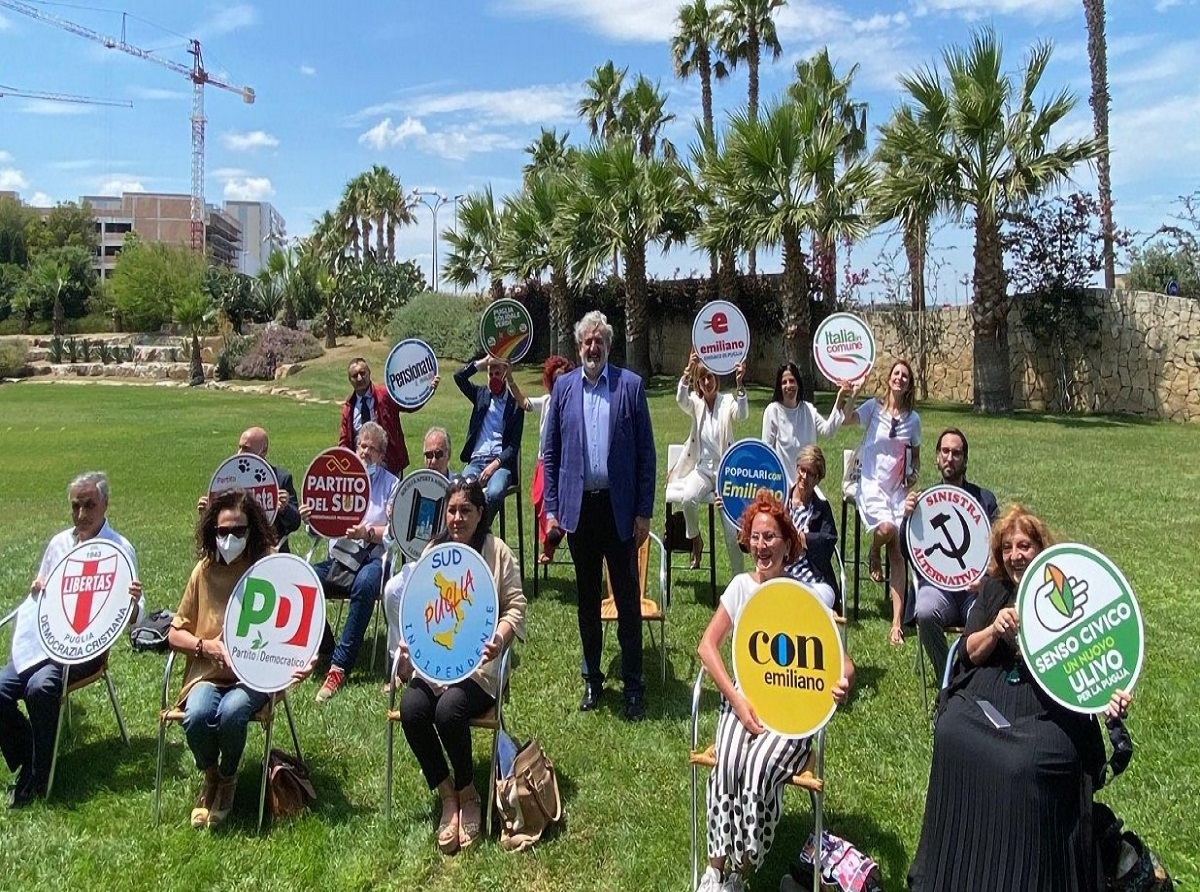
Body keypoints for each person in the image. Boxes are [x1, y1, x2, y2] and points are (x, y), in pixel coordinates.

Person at [908, 505, 1133, 891]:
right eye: (1008, 547)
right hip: (990, 686)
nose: (1016, 555)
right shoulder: (995, 589)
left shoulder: (1070, 590)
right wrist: (995, 630)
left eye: (1025, 545)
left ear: (1041, 548)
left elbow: (1095, 661)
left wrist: (1110, 706)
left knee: (1028, 761)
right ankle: (951, 869)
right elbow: (967, 652)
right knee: (953, 731)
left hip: (1047, 703)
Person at [695, 492, 854, 892]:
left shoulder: (805, 595)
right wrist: (738, 700)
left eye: (771, 537)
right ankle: (715, 867)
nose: (763, 546)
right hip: (743, 704)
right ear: (747, 542)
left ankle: (743, 869)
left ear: (787, 543)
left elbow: (841, 660)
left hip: (792, 715)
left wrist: (843, 682)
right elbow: (706, 646)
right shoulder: (740, 587)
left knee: (758, 772)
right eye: (756, 537)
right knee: (728, 765)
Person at [394, 477, 526, 854]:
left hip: (480, 669)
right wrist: (409, 642)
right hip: (435, 664)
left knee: (450, 711)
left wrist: (499, 637)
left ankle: (469, 795)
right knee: (413, 709)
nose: (457, 517)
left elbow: (515, 605)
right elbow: (417, 607)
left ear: (480, 513)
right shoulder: (433, 552)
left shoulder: (497, 552)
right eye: (451, 510)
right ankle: (446, 793)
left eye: (465, 510)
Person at [0, 472, 143, 808]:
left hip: (83, 650)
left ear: (105, 504)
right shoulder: (59, 544)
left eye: (89, 505)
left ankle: (38, 776)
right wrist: (39, 589)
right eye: (75, 506)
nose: (81, 514)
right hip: (42, 644)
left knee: (40, 688)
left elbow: (133, 618)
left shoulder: (120, 549)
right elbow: (44, 598)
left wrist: (133, 604)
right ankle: (29, 752)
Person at [543, 310, 656, 721]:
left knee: (627, 601)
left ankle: (633, 685)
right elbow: (551, 453)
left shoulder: (630, 387)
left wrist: (643, 511)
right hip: (579, 512)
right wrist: (552, 509)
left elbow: (647, 454)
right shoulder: (564, 389)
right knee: (587, 601)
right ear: (578, 346)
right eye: (587, 341)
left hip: (619, 510)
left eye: (599, 341)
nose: (593, 347)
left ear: (609, 344)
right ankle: (592, 678)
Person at [168, 490, 301, 829]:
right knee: (196, 715)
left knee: (232, 712)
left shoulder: (269, 566)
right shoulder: (203, 571)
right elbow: (174, 633)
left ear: (252, 530)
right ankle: (210, 775)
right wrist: (205, 647)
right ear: (212, 531)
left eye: (238, 531)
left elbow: (296, 624)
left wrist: (299, 662)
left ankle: (228, 778)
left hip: (254, 676)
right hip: (208, 674)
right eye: (222, 531)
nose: (230, 538)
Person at [305, 420, 398, 703]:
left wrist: (367, 533)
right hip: (339, 557)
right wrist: (311, 519)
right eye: (362, 445)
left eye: (372, 449)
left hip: (373, 558)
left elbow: (394, 533)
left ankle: (339, 667)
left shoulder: (392, 485)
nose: (365, 452)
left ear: (382, 456)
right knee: (303, 579)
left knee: (367, 583)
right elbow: (319, 529)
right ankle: (328, 648)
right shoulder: (340, 477)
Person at [905, 428, 999, 679]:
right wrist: (907, 519)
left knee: (989, 613)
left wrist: (986, 579)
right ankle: (947, 676)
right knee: (924, 611)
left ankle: (974, 677)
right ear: (936, 457)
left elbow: (999, 550)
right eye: (945, 452)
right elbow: (908, 552)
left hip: (974, 590)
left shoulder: (985, 500)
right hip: (938, 589)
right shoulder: (923, 502)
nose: (950, 458)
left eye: (956, 453)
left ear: (965, 460)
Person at [843, 359, 921, 645]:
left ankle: (896, 623)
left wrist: (912, 475)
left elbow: (917, 459)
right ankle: (874, 551)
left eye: (905, 376)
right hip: (872, 485)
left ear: (909, 384)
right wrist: (853, 392)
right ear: (889, 379)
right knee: (887, 529)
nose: (900, 379)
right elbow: (846, 419)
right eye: (896, 374)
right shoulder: (873, 408)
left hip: (897, 490)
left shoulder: (913, 420)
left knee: (899, 548)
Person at [666, 351, 748, 572]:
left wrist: (740, 384)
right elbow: (681, 399)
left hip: (725, 474)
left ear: (716, 379)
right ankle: (695, 539)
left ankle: (738, 580)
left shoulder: (727, 401)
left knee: (731, 534)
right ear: (698, 384)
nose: (706, 382)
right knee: (688, 499)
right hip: (702, 470)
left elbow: (742, 415)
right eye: (702, 379)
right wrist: (687, 372)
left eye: (710, 377)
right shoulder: (696, 403)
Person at [507, 354, 575, 563]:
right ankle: (551, 539)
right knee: (539, 501)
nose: (559, 384)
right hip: (544, 462)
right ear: (550, 382)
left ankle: (551, 544)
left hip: (565, 465)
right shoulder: (546, 402)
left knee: (557, 501)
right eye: (555, 380)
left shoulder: (574, 405)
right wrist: (510, 379)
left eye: (563, 379)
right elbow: (523, 403)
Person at [196, 426, 302, 552]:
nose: (239, 453)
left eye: (246, 448)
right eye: (239, 447)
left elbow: (295, 523)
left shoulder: (281, 479)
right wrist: (206, 512)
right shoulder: (227, 477)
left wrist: (285, 509)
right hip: (235, 546)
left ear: (263, 451)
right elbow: (218, 523)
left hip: (271, 548)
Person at [453, 355, 525, 526]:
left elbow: (514, 446)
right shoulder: (480, 395)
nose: (493, 378)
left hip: (500, 465)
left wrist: (494, 465)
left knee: (493, 492)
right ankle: (470, 532)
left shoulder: (515, 405)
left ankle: (478, 531)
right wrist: (481, 363)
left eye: (497, 374)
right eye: (490, 374)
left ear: (505, 375)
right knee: (462, 491)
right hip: (477, 461)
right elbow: (458, 377)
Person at [761, 362, 849, 488]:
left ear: (798, 383)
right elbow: (766, 452)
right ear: (779, 387)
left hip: (807, 486)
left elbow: (828, 431)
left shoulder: (807, 409)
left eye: (792, 381)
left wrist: (840, 397)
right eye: (784, 382)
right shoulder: (773, 410)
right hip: (783, 488)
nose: (788, 386)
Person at [783, 445, 840, 609]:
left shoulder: (821, 508)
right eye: (802, 470)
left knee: (822, 596)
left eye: (811, 474)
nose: (805, 477)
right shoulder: (781, 500)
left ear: (818, 478)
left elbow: (828, 541)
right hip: (781, 571)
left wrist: (804, 539)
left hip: (812, 576)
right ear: (797, 468)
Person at [339, 357, 410, 477]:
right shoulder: (349, 408)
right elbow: (344, 442)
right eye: (355, 376)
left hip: (390, 465)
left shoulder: (385, 394)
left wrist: (428, 391)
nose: (360, 378)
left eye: (363, 373)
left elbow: (409, 405)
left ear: (369, 373)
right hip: (362, 468)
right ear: (350, 380)